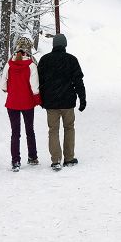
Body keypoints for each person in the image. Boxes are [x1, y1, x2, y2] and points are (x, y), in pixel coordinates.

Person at [37, 33, 86, 172]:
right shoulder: (71, 60)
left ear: (53, 45)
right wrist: (82, 99)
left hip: (51, 103)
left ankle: (56, 160)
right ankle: (69, 158)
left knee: (53, 130)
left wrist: (41, 99)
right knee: (69, 128)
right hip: (68, 102)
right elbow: (78, 82)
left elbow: (39, 82)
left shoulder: (45, 60)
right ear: (65, 45)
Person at [1, 35, 40, 172]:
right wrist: (38, 100)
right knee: (30, 130)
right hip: (27, 103)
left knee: (15, 133)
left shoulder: (9, 64)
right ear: (28, 49)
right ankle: (32, 157)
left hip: (12, 104)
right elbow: (35, 88)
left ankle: (15, 161)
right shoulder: (31, 65)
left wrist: (10, 90)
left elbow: (3, 84)